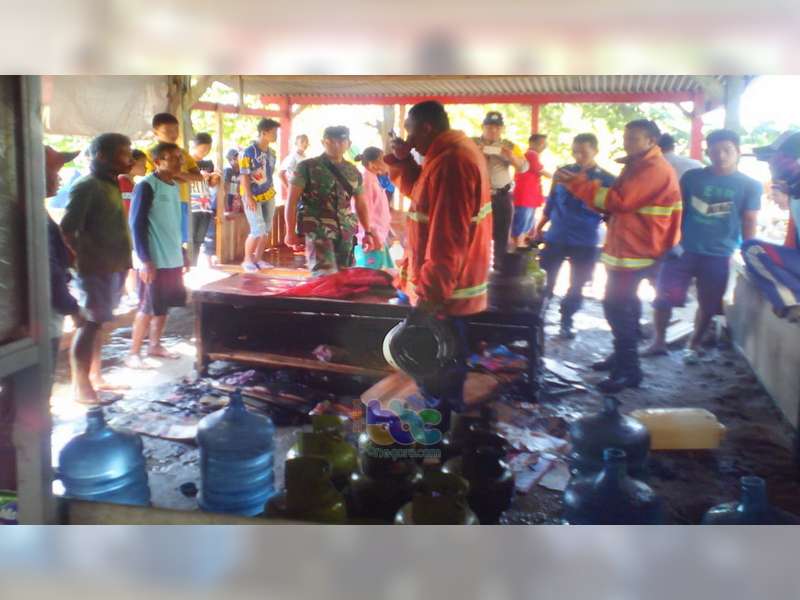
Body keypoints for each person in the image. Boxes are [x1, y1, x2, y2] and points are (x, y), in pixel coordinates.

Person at [386, 100, 492, 432]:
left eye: (411, 130)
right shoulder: (444, 157)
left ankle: (441, 433)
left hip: (445, 292)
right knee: (443, 362)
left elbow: (448, 238)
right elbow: (420, 195)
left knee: (439, 363)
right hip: (443, 286)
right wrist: (403, 161)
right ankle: (444, 424)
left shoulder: (453, 162)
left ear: (427, 128)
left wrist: (430, 298)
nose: (409, 138)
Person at [554, 119, 681, 392]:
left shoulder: (653, 169)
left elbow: (619, 201)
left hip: (638, 250)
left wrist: (578, 184)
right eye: (626, 137)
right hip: (628, 247)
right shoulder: (637, 165)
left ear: (651, 141)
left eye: (634, 138)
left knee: (616, 306)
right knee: (626, 305)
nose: (627, 142)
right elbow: (616, 201)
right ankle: (622, 357)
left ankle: (629, 369)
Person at [645, 129, 761, 363]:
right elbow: (676, 211)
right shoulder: (692, 178)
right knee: (663, 296)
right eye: (715, 150)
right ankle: (658, 341)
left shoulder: (750, 185)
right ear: (708, 152)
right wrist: (668, 242)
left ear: (738, 152)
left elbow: (749, 219)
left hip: (719, 253)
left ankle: (694, 343)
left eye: (727, 150)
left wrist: (749, 251)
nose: (721, 155)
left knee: (708, 303)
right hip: (682, 250)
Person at [60, 133, 134, 405]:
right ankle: (81, 388)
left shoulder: (113, 184)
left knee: (99, 324)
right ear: (102, 156)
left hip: (113, 266)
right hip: (94, 269)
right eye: (124, 153)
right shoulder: (87, 186)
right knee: (89, 325)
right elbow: (67, 230)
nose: (130, 158)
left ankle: (96, 377)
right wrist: (79, 262)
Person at [531, 133, 615, 339]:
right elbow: (551, 203)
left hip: (586, 240)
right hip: (556, 235)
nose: (578, 156)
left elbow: (610, 212)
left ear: (595, 151)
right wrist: (539, 228)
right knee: (544, 280)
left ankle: (566, 320)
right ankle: (536, 321)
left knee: (577, 284)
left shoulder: (607, 179)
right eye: (575, 151)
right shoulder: (562, 172)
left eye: (583, 152)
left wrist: (612, 241)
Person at [125, 142, 190, 368]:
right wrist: (144, 260)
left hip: (172, 257)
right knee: (146, 306)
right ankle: (133, 353)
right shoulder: (146, 185)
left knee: (163, 306)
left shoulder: (173, 186)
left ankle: (155, 345)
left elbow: (172, 223)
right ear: (157, 161)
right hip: (153, 259)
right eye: (172, 158)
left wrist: (182, 253)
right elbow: (136, 224)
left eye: (179, 157)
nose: (179, 162)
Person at [284, 126, 378, 276]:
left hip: (346, 233)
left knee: (345, 278)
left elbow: (361, 203)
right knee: (324, 277)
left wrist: (367, 231)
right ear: (323, 142)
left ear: (348, 143)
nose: (336, 145)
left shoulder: (353, 171)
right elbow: (292, 201)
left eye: (341, 141)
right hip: (318, 231)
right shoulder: (307, 167)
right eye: (331, 141)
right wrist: (290, 231)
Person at [742, 131, 800, 321]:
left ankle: (793, 302)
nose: (770, 165)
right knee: (757, 257)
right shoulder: (794, 195)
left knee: (753, 250)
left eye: (774, 159)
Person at [472, 111, 528, 268]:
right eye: (489, 127)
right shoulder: (472, 142)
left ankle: (500, 271)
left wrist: (509, 156)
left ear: (502, 129)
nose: (493, 131)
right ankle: (475, 271)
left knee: (502, 238)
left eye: (497, 127)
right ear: (483, 127)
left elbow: (524, 167)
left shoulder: (509, 145)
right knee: (474, 234)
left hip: (501, 196)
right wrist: (479, 150)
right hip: (476, 196)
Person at [44, 146, 83, 365]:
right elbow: (48, 270)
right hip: (41, 311)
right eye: (53, 170)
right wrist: (71, 307)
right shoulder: (32, 216)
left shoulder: (34, 210)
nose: (59, 177)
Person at [145, 113, 204, 254]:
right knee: (162, 240)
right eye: (168, 131)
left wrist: (176, 174)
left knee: (178, 241)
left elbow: (198, 177)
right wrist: (183, 176)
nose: (173, 134)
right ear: (156, 132)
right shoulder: (149, 154)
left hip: (181, 201)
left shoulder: (183, 153)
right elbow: (154, 178)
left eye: (176, 130)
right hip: (160, 203)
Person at [240, 118, 280, 272]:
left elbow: (269, 173)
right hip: (252, 195)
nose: (276, 135)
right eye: (273, 132)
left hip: (268, 194)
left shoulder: (272, 153)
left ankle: (258, 259)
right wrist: (248, 196)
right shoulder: (248, 152)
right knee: (257, 228)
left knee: (266, 229)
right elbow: (244, 175)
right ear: (263, 133)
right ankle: (247, 260)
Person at [353, 147, 394, 270]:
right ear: (372, 164)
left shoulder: (372, 178)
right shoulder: (366, 180)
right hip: (371, 236)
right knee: (370, 276)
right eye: (382, 160)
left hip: (377, 234)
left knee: (378, 273)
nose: (386, 163)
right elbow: (363, 209)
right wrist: (369, 233)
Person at [513, 133, 551, 247]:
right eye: (541, 143)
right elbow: (540, 170)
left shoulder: (532, 155)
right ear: (532, 143)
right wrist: (555, 175)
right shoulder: (531, 154)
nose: (544, 146)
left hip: (529, 196)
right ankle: (519, 244)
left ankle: (522, 243)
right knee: (522, 222)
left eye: (544, 144)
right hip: (526, 196)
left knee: (527, 222)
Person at [188, 132, 220, 266]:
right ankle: (188, 264)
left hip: (205, 205)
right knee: (191, 238)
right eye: (203, 149)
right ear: (195, 146)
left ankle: (193, 265)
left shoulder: (208, 163)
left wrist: (215, 178)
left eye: (208, 149)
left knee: (199, 239)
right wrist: (199, 176)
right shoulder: (186, 161)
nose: (205, 152)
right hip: (192, 205)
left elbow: (212, 185)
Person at [118, 149, 147, 218]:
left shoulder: (131, 183)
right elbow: (128, 208)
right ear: (132, 163)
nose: (146, 168)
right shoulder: (122, 182)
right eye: (143, 164)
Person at [222, 148, 242, 213]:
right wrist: (226, 207)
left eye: (237, 158)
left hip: (235, 201)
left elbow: (240, 190)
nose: (237, 161)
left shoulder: (241, 171)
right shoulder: (228, 170)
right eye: (232, 159)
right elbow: (224, 190)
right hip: (227, 202)